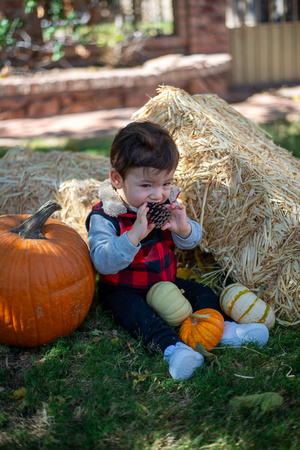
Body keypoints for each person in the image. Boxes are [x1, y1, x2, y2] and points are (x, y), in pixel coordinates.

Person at [86, 121, 269, 381]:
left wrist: (183, 229)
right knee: (139, 316)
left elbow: (190, 241)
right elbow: (103, 262)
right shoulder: (106, 215)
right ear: (117, 179)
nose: (158, 195)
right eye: (147, 185)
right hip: (124, 290)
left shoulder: (165, 203)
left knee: (203, 294)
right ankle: (173, 349)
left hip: (166, 282)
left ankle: (223, 330)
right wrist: (134, 234)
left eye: (166, 183)